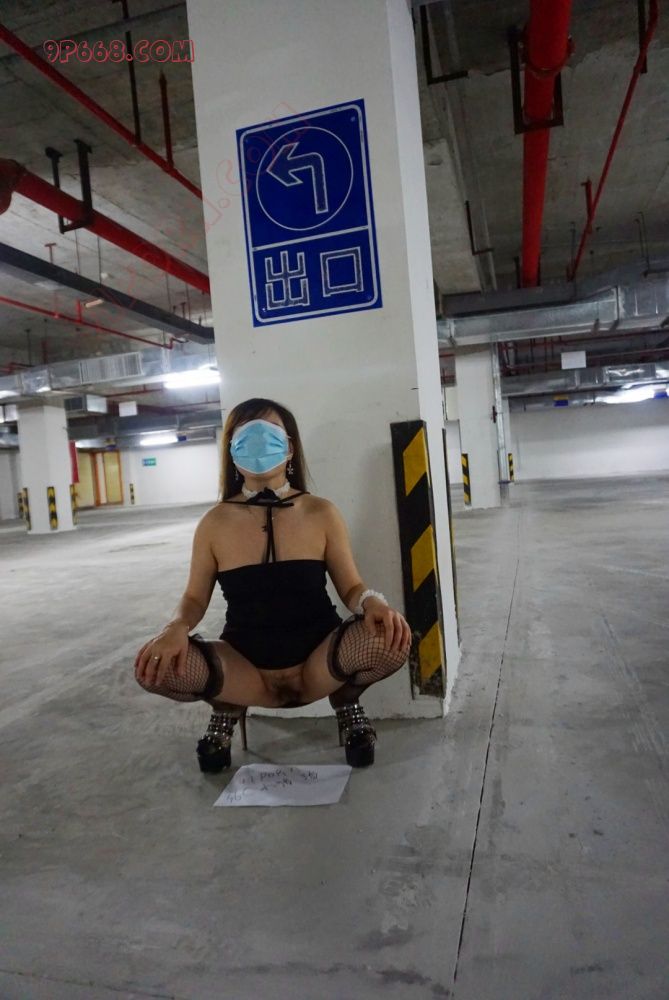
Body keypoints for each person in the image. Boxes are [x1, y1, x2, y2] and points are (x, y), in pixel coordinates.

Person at [134, 397, 412, 772]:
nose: (259, 443)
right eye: (246, 435)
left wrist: (372, 603)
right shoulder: (214, 523)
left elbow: (351, 587)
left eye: (269, 433)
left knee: (393, 639)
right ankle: (226, 707)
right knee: (154, 666)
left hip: (321, 662)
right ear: (231, 451)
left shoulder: (321, 512)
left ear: (290, 447)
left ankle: (346, 701)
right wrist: (175, 628)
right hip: (245, 668)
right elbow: (194, 598)